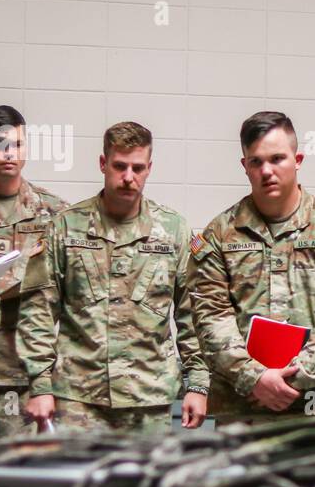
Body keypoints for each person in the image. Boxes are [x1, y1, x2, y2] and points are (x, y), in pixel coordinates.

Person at [18, 122, 208, 434]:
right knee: (77, 483)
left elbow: (193, 315)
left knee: (147, 484)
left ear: (149, 168)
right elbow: (37, 311)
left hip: (149, 398)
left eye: (137, 168)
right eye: (119, 166)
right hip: (78, 398)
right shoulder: (65, 228)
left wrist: (198, 385)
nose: (128, 177)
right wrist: (40, 385)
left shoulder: (174, 231)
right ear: (103, 164)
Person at [189, 111, 315, 427]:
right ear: (244, 165)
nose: (267, 171)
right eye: (257, 161)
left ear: (298, 159)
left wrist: (296, 375)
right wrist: (255, 377)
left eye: (277, 159)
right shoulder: (220, 234)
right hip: (243, 406)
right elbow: (211, 318)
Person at [0, 104, 69, 437]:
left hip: (24, 374)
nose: (10, 154)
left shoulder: (54, 214)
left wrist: (49, 381)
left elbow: (72, 300)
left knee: (19, 479)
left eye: (17, 145)